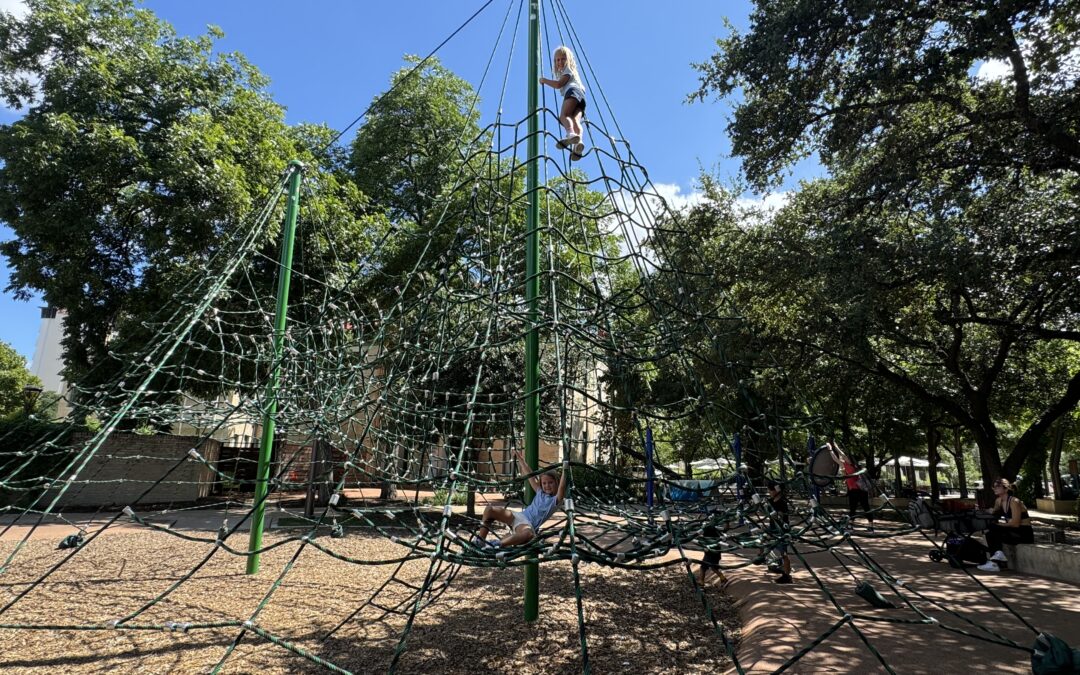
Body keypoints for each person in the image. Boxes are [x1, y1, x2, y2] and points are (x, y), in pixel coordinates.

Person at [474, 449, 567, 548]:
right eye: (544, 483)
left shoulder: (556, 500)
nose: (547, 486)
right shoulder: (540, 492)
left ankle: (498, 544)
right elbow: (529, 474)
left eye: (550, 482)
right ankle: (480, 540)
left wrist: (565, 469)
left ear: (556, 482)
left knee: (528, 534)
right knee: (489, 509)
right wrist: (520, 458)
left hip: (527, 524)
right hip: (518, 516)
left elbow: (561, 487)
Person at [539, 45, 587, 161]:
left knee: (564, 116)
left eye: (562, 59)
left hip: (573, 92)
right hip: (581, 97)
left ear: (568, 60)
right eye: (557, 60)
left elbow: (558, 84)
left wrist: (544, 80)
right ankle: (578, 143)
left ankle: (570, 134)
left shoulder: (568, 70)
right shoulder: (573, 74)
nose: (559, 62)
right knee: (575, 120)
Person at [977, 478, 1034, 572]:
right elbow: (994, 512)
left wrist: (999, 525)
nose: (994, 488)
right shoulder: (999, 501)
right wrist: (986, 511)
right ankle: (997, 561)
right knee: (990, 533)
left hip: (1023, 533)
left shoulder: (1014, 501)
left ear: (1006, 489)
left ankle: (997, 561)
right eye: (994, 486)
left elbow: (1015, 524)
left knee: (993, 529)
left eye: (998, 486)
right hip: (1012, 531)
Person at [830, 443, 874, 531]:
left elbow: (841, 455)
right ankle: (851, 524)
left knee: (865, 507)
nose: (845, 458)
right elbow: (835, 459)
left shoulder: (854, 466)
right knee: (853, 508)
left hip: (860, 490)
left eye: (847, 458)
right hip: (853, 490)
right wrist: (830, 449)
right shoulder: (846, 466)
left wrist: (835, 447)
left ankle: (870, 525)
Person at [766, 480, 793, 584]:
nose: (769, 492)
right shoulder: (771, 500)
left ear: (776, 491)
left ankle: (787, 575)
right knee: (762, 538)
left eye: (770, 491)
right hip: (772, 528)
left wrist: (776, 514)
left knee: (784, 553)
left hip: (781, 530)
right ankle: (761, 557)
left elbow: (782, 515)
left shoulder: (782, 502)